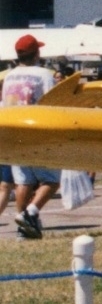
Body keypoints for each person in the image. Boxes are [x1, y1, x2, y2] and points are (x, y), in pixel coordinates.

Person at [2, 34, 60, 239]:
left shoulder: (9, 75)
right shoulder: (44, 74)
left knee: (23, 182)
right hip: (36, 132)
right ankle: (31, 212)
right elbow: (52, 103)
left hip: (14, 132)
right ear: (36, 52)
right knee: (51, 180)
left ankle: (22, 225)